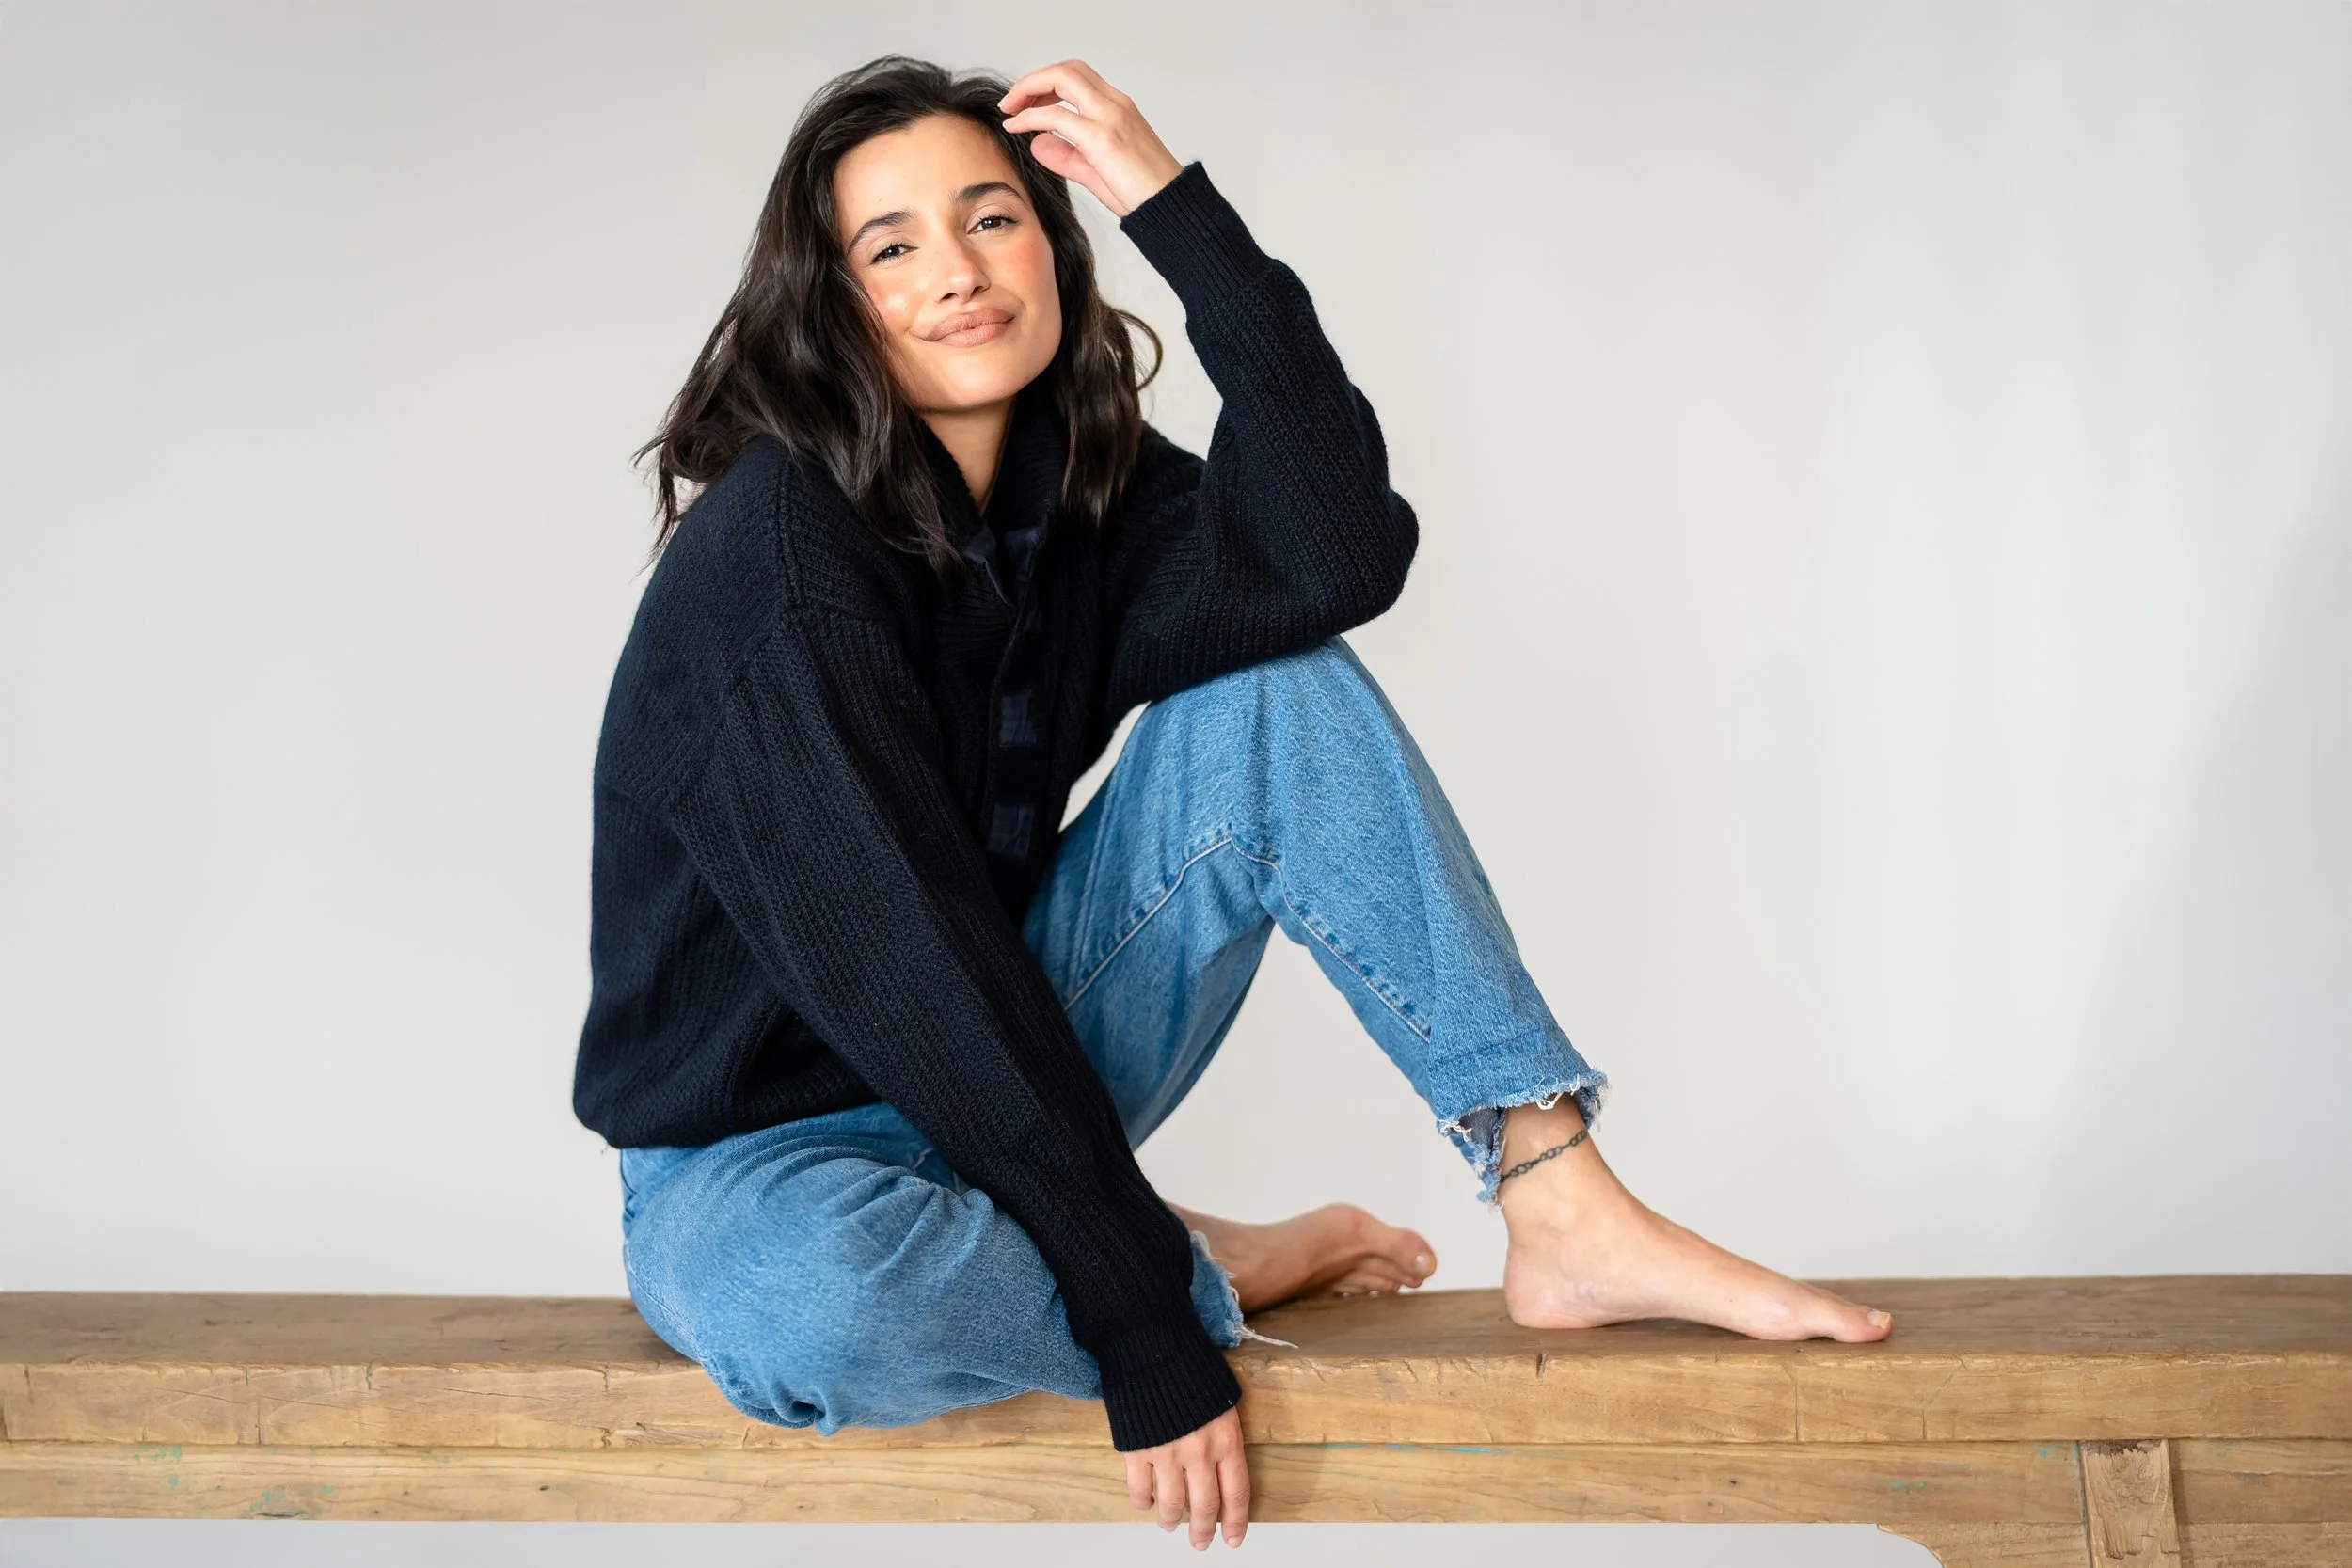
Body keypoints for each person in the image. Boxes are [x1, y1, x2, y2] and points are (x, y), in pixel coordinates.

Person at [574, 53, 1894, 1553]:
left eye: (994, 218)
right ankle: (1199, 1258)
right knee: (820, 1311)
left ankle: (1556, 1188)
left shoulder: (1078, 493)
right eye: (892, 247)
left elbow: (1335, 555)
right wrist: (1149, 1315)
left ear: (1054, 245)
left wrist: (1172, 206)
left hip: (1009, 1056)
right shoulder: (778, 559)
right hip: (756, 1165)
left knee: (1277, 691)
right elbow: (909, 968)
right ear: (829, 306)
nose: (955, 272)